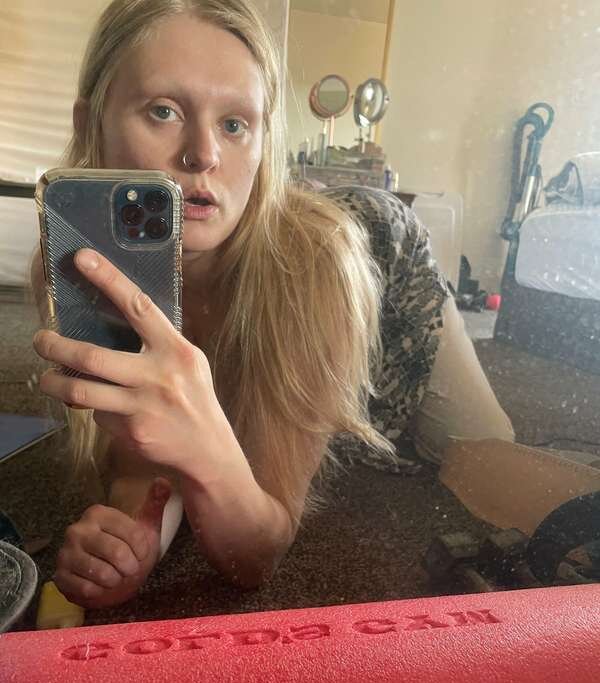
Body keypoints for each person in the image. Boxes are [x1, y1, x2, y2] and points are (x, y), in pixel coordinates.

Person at [29, 0, 514, 610]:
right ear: (91, 122)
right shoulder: (72, 266)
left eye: (235, 124)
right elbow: (144, 448)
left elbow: (258, 554)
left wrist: (205, 450)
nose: (204, 154)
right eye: (163, 111)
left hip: (378, 267)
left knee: (481, 466)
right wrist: (134, 537)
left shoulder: (318, 262)